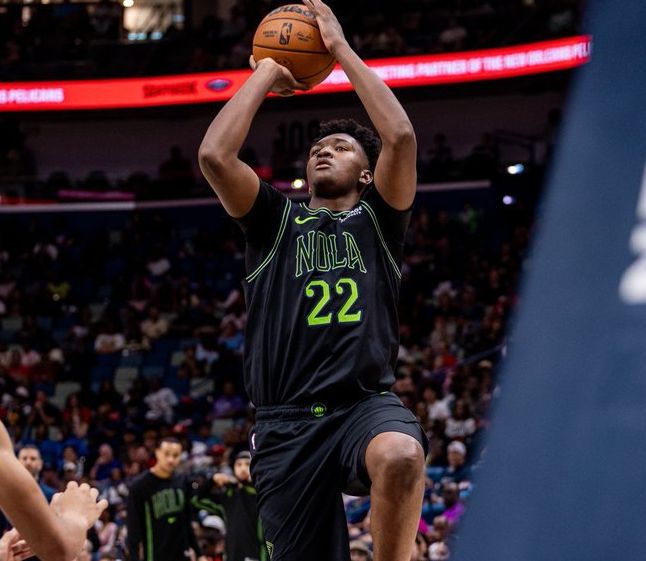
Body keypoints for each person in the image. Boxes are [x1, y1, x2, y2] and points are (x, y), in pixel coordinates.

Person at [197, 1, 427, 560]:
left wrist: (340, 49)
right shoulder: (274, 221)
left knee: (400, 454)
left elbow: (399, 136)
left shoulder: (379, 221)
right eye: (318, 148)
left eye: (341, 147)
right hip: (286, 422)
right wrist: (267, 71)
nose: (324, 151)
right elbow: (215, 155)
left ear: (367, 173)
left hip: (361, 404)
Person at [0, 420, 108, 561]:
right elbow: (59, 550)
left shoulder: (51, 493)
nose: (28, 462)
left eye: (32, 458)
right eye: (24, 458)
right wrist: (76, 517)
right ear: (16, 461)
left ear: (40, 464)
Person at [126, 436, 206, 561]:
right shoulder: (139, 486)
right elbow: (133, 531)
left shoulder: (182, 481)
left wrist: (199, 554)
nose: (171, 459)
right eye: (167, 454)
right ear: (157, 452)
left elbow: (187, 522)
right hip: (154, 555)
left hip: (181, 554)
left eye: (176, 455)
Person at [193, 450, 267, 561]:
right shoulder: (227, 495)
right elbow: (196, 500)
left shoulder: (261, 493)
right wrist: (212, 480)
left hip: (257, 555)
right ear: (233, 468)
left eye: (247, 464)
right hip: (231, 555)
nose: (243, 468)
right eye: (239, 464)